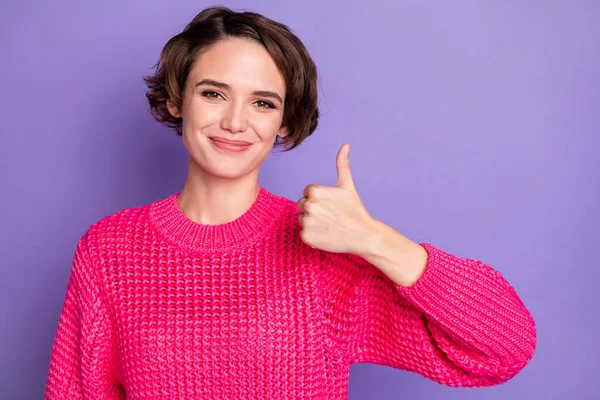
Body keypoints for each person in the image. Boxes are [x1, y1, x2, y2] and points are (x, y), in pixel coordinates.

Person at [44, 6, 537, 399]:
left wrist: (375, 240)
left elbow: (504, 347)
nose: (237, 121)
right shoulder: (110, 250)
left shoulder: (322, 250)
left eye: (263, 102)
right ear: (177, 100)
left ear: (284, 121)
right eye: (214, 93)